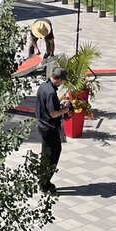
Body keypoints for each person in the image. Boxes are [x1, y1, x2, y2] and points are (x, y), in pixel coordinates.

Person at [36, 65, 72, 193]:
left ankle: (43, 180)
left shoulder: (43, 86)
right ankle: (44, 184)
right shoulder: (51, 92)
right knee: (51, 156)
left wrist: (60, 105)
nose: (62, 84)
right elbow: (53, 113)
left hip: (42, 125)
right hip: (49, 128)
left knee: (47, 154)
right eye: (63, 81)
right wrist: (66, 109)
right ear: (58, 79)